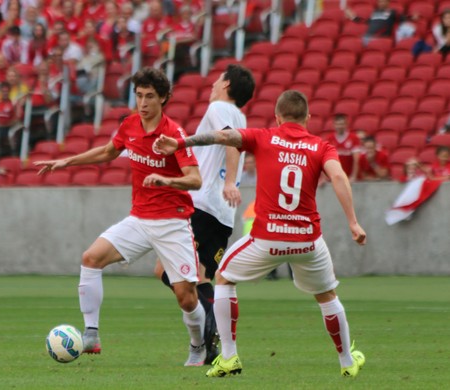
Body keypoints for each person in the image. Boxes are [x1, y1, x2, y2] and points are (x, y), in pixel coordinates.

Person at [153, 90, 367, 378]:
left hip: (268, 239)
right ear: (308, 118)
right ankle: (346, 362)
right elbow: (339, 176)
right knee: (328, 296)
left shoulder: (263, 136)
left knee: (224, 278)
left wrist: (180, 142)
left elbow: (222, 137)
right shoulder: (321, 146)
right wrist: (353, 222)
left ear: (277, 117)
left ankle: (229, 358)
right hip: (307, 241)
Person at [35, 67, 207, 366]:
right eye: (139, 96)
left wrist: (167, 180)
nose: (143, 103)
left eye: (150, 96)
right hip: (139, 219)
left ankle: (199, 345)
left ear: (164, 98)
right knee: (91, 258)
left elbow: (195, 180)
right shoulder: (130, 125)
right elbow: (107, 152)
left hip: (172, 222)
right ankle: (91, 334)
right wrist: (66, 162)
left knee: (186, 297)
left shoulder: (173, 133)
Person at [153, 63, 255, 365]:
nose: (213, 83)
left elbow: (229, 141)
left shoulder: (219, 107)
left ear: (226, 85)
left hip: (203, 205)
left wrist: (228, 182)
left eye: (218, 78)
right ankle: (212, 339)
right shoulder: (241, 116)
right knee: (202, 277)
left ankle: (209, 331)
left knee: (164, 270)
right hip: (223, 214)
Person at [326, 114, 361, 182]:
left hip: (350, 177)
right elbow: (326, 159)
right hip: (336, 177)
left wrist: (354, 175)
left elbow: (356, 159)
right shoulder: (330, 138)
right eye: (338, 124)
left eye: (342, 124)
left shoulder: (353, 138)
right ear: (334, 125)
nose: (340, 126)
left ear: (346, 124)